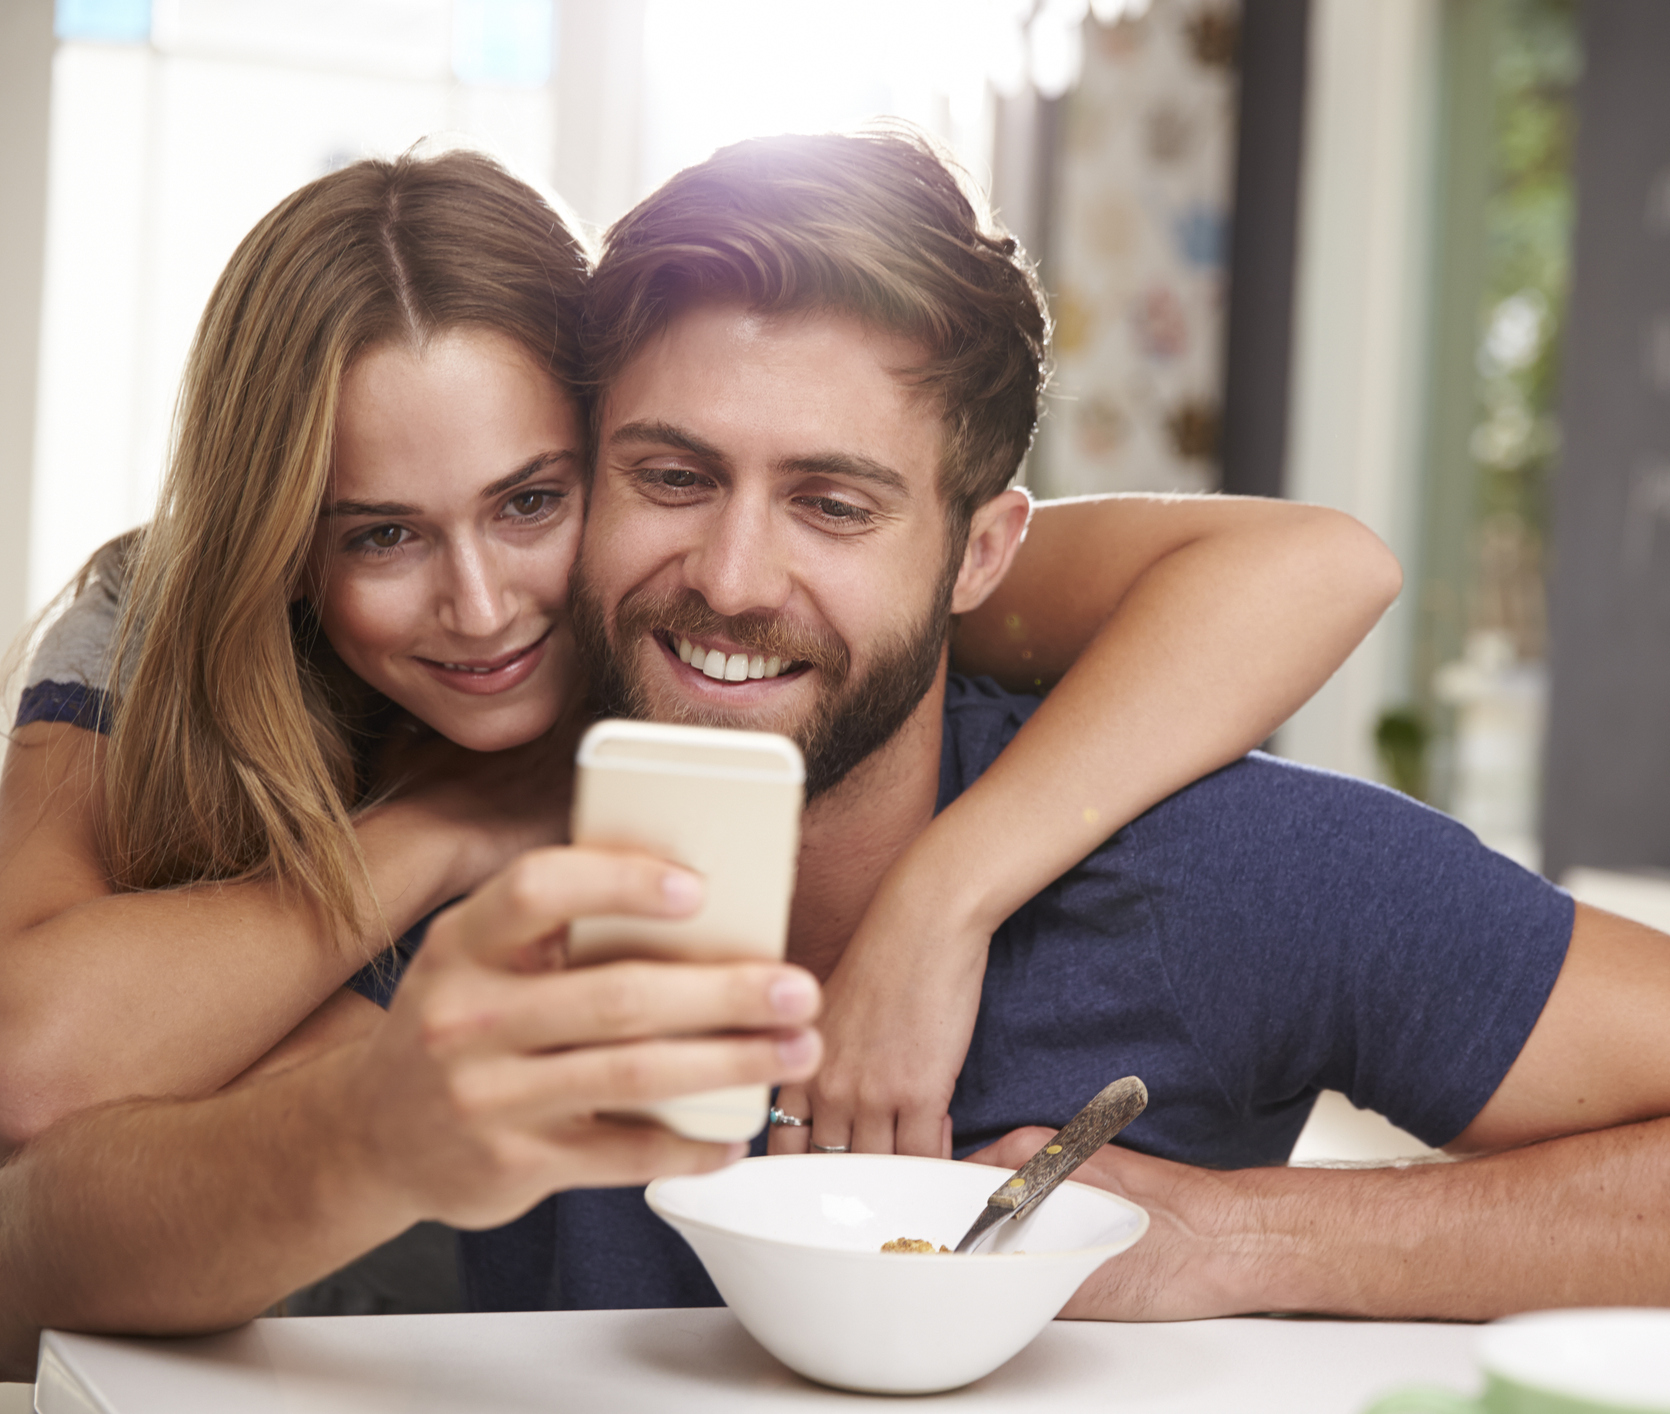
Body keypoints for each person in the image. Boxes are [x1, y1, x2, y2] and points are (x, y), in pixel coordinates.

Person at [0, 129, 1670, 1375]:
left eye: (833, 501)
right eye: (669, 478)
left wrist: (1239, 1241)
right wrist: (376, 1125)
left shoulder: (1219, 869)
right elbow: (57, 1230)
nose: (729, 575)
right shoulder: (519, 828)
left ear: (983, 550)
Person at [0, 145, 1400, 1173]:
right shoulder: (165, 614)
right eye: (379, 533)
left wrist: (939, 902)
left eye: (533, 499)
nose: (481, 606)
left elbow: (1320, 566)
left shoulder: (772, 571)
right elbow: (32, 1061)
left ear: (609, 438)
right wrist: (447, 824)